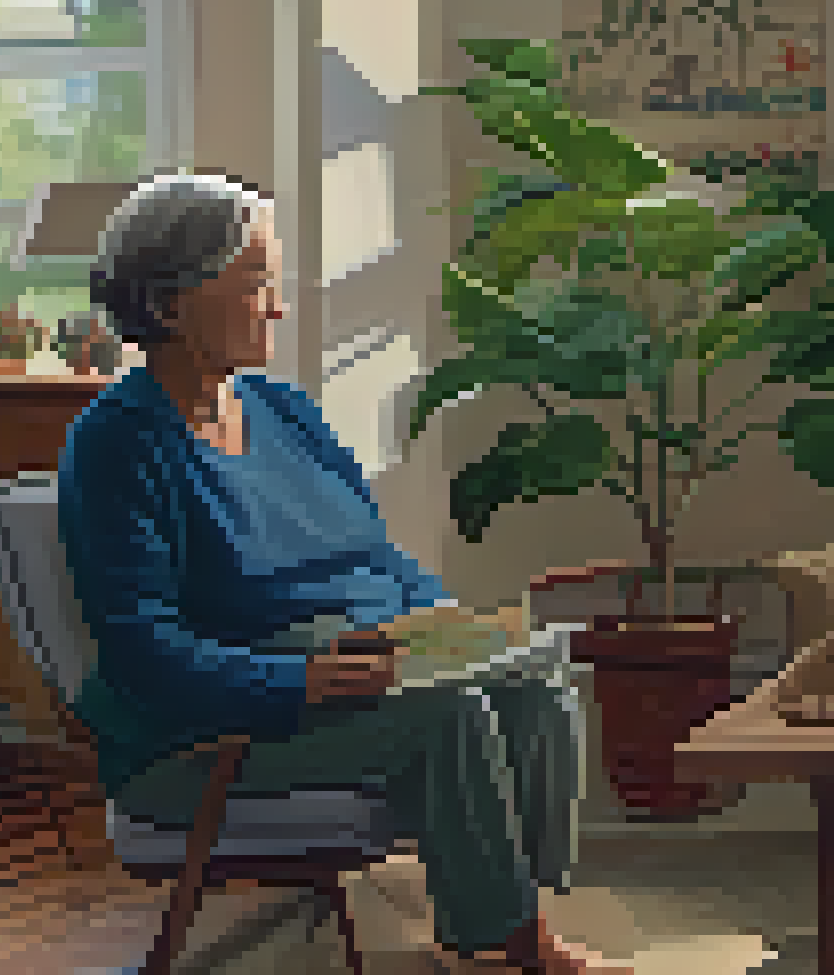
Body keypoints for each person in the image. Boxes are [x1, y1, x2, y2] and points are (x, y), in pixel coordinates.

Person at [57, 172, 622, 974]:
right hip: (209, 736)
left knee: (535, 685)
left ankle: (506, 929)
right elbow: (142, 652)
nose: (278, 308)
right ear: (170, 301)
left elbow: (374, 557)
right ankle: (513, 946)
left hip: (354, 673)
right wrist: (304, 681)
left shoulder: (286, 411)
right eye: (257, 284)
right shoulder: (117, 445)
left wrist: (441, 625)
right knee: (449, 716)